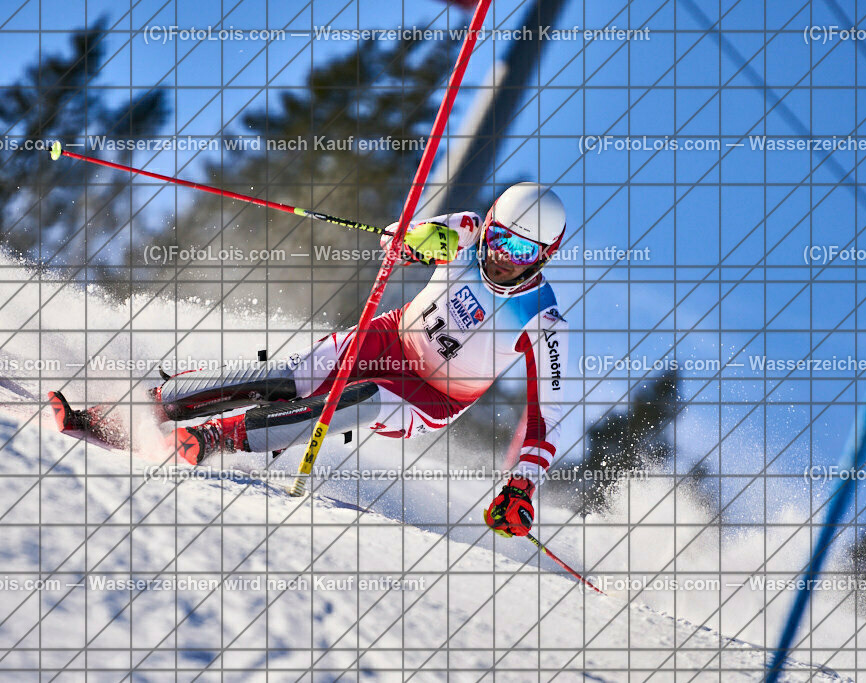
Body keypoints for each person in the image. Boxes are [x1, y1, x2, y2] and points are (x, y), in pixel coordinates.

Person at [51, 182, 570, 538]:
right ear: (493, 224)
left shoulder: (542, 321)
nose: (501, 257)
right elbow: (411, 234)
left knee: (359, 400)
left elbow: (546, 419)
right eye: (501, 239)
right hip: (386, 339)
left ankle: (219, 437)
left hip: (427, 396)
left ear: (543, 257)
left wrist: (520, 486)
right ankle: (146, 406)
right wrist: (405, 240)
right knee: (284, 378)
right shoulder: (472, 230)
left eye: (521, 253)